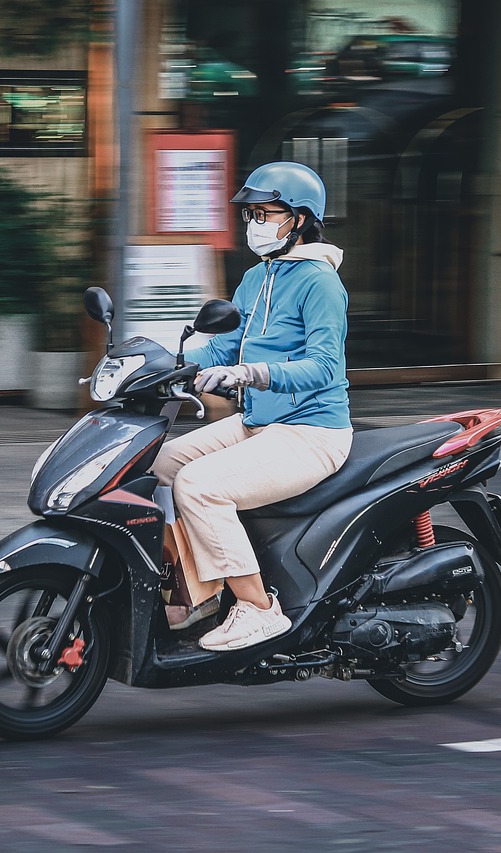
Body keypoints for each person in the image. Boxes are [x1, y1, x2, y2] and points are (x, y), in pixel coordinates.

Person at [152, 161, 352, 651]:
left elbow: (325, 365)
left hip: (311, 431)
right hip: (259, 421)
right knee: (160, 462)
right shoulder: (257, 277)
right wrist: (160, 365)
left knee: (199, 487)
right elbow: (226, 345)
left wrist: (252, 374)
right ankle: (197, 592)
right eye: (251, 214)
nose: (254, 224)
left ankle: (259, 609)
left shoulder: (320, 283)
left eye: (265, 214)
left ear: (299, 219)